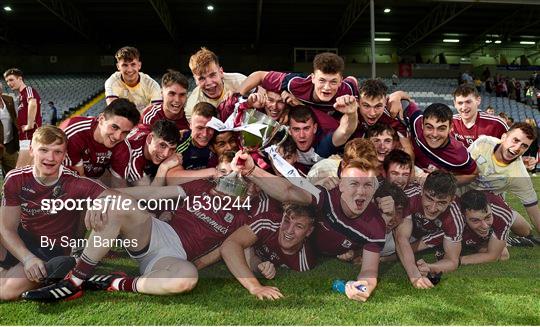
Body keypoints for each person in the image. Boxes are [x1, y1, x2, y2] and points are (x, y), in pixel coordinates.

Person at [22, 153, 253, 302]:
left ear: (248, 186)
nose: (229, 177)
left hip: (174, 258)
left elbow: (228, 248)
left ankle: (113, 282)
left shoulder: (242, 216)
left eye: (236, 175)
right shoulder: (200, 187)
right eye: (224, 171)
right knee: (117, 204)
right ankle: (75, 281)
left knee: (187, 279)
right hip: (156, 232)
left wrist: (199, 264)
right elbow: (152, 194)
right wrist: (104, 196)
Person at [232, 153, 394, 302]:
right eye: (354, 184)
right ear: (341, 186)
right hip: (297, 239)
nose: (361, 191)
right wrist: (251, 170)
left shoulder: (375, 224)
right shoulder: (326, 195)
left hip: (320, 253)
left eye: (367, 185)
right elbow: (288, 190)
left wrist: (364, 287)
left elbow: (369, 271)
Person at [0, 126, 108, 300]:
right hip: (23, 238)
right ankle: (46, 275)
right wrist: (27, 258)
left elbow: (114, 195)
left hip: (52, 248)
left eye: (57, 152)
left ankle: (55, 269)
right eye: (44, 150)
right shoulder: (15, 179)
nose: (50, 158)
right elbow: (6, 229)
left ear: (65, 155)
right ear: (32, 150)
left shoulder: (74, 182)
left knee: (6, 291)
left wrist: (102, 201)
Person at [238, 52, 360, 134]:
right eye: (321, 80)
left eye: (333, 82)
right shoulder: (295, 84)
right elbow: (259, 75)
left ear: (340, 81)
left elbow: (353, 80)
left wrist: (299, 105)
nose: (327, 88)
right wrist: (238, 99)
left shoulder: (347, 90)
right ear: (312, 78)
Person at [221, 203, 317, 300]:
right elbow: (229, 246)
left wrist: (260, 265)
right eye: (287, 221)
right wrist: (255, 287)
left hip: (249, 249)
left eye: (299, 226)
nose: (289, 230)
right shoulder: (267, 222)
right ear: (282, 218)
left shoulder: (303, 263)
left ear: (309, 231)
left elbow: (250, 258)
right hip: (232, 223)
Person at [394, 171, 464, 289]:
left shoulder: (455, 217)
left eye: (441, 203)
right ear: (422, 191)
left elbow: (452, 260)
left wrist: (430, 267)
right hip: (400, 231)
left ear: (452, 200)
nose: (432, 208)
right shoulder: (409, 196)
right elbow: (401, 237)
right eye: (429, 198)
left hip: (426, 237)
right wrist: (414, 274)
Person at [467, 122, 540, 233]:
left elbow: (534, 212)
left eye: (524, 146)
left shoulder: (519, 174)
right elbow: (460, 167)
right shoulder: (483, 143)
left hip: (490, 203)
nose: (517, 148)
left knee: (525, 231)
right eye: (515, 140)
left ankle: (504, 217)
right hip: (463, 193)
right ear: (504, 137)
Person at [59, 98, 140, 178]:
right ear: (101, 119)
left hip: (98, 178)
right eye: (114, 127)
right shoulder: (74, 134)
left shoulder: (123, 147)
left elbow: (118, 184)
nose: (117, 137)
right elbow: (77, 178)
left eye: (125, 132)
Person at [404, 102, 478, 185]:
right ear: (422, 125)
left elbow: (473, 174)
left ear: (451, 128)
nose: (434, 134)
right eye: (429, 127)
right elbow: (406, 102)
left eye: (441, 129)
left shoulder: (459, 154)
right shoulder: (416, 122)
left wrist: (445, 180)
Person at [458, 190, 533, 265]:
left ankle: (505, 239)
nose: (485, 226)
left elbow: (493, 256)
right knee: (502, 253)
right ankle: (490, 240)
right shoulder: (455, 216)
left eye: (488, 217)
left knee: (526, 231)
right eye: (475, 220)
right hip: (467, 227)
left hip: (501, 212)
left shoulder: (501, 214)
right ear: (463, 217)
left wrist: (457, 261)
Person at [288, 99, 357, 173]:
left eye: (306, 128)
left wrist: (352, 113)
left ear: (315, 128)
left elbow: (344, 132)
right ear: (289, 131)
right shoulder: (282, 142)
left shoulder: (323, 144)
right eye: (296, 129)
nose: (301, 135)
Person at [110, 120, 181, 187]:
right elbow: (150, 194)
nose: (165, 154)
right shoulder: (132, 156)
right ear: (149, 139)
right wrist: (164, 167)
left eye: (172, 149)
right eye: (162, 145)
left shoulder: (154, 132)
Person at [184, 47, 246, 121]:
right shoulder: (192, 107)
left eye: (212, 75)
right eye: (201, 78)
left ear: (221, 72)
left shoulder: (240, 81)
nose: (209, 83)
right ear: (195, 80)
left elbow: (262, 92)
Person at [3, 68, 42, 167]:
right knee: (31, 169)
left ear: (20, 79)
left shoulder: (28, 90)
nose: (9, 83)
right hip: (26, 137)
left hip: (29, 136)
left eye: (11, 80)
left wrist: (29, 124)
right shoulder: (21, 96)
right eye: (7, 81)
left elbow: (33, 104)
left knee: (19, 169)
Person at [104, 46, 162, 112]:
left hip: (145, 120)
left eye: (133, 64)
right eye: (125, 65)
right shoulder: (112, 82)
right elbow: (114, 111)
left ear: (139, 65)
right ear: (118, 66)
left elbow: (157, 112)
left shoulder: (152, 85)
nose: (129, 70)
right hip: (122, 120)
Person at [0, 81, 19, 176]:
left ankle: (8, 191)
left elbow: (14, 119)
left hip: (10, 145)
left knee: (13, 175)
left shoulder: (9, 100)